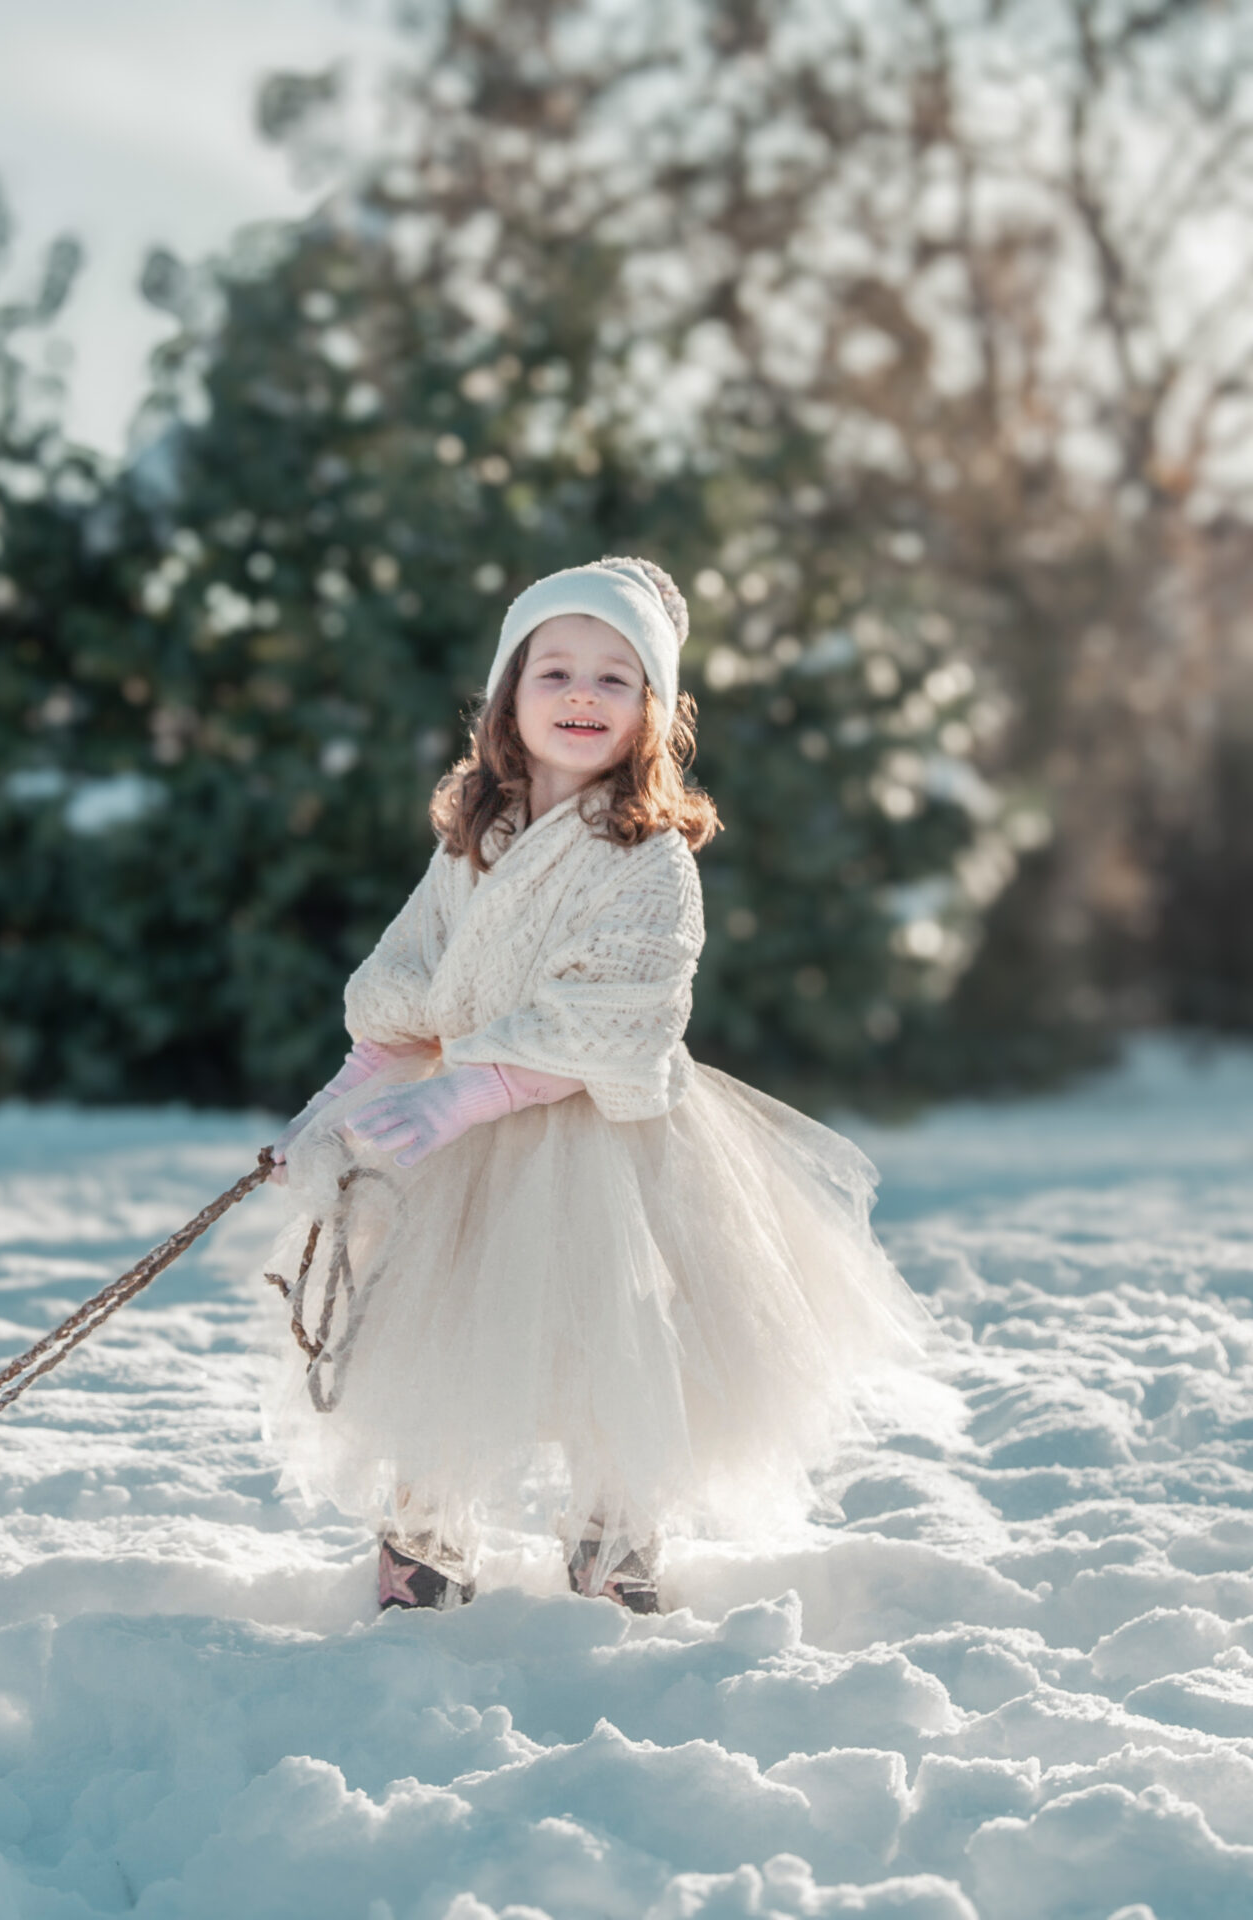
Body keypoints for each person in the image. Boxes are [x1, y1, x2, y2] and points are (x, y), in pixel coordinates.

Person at [261, 556, 929, 1614]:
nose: (582, 694)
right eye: (554, 672)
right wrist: (344, 1095)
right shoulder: (475, 842)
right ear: (505, 701)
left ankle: (613, 1531)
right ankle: (427, 1530)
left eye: (615, 679)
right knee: (438, 1329)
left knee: (610, 1334)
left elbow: (618, 1011)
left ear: (652, 714)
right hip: (466, 1145)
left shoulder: (649, 858)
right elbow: (407, 982)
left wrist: (460, 1095)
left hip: (602, 1139)